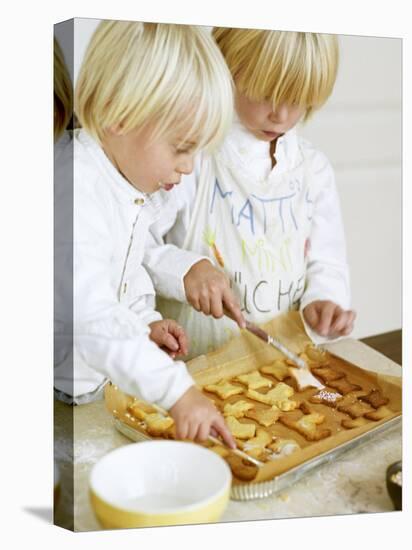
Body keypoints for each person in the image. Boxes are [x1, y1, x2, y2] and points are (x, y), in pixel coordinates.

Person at [54, 20, 240, 446]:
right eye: (181, 147)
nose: (189, 166)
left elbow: (123, 271)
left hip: (94, 392)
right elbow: (91, 318)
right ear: (121, 114)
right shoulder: (75, 188)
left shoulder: (128, 182)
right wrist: (178, 392)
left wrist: (143, 326)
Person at [145, 29, 355, 360]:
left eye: (296, 98)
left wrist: (325, 300)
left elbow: (327, 263)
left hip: (283, 367)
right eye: (267, 93)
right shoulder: (191, 159)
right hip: (196, 368)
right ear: (226, 67)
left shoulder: (313, 170)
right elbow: (135, 246)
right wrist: (184, 270)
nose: (281, 114)